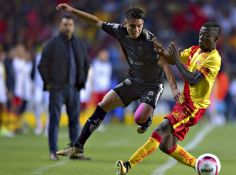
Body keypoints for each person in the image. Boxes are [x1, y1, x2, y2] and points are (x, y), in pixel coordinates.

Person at [55, 4, 180, 158]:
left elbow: (165, 65)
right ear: (125, 23)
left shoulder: (150, 42)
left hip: (152, 85)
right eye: (132, 26)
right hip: (134, 80)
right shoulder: (119, 31)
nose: (136, 30)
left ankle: (145, 119)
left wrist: (174, 88)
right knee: (103, 105)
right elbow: (95, 22)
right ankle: (77, 147)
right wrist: (73, 11)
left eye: (139, 26)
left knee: (139, 118)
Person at [115, 22, 222, 175]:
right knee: (166, 145)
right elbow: (172, 59)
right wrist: (162, 51)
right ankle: (199, 165)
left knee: (161, 129)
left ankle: (128, 165)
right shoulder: (194, 50)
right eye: (200, 34)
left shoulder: (214, 59)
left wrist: (176, 60)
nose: (201, 38)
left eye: (206, 36)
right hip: (184, 102)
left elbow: (192, 79)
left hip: (194, 107)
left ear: (216, 38)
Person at [38, 15, 90, 160]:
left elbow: (86, 65)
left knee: (74, 121)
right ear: (60, 26)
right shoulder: (52, 44)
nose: (68, 27)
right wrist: (49, 83)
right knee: (54, 120)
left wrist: (82, 81)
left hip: (74, 88)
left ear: (73, 27)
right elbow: (42, 65)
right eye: (65, 24)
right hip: (57, 88)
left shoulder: (79, 44)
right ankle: (53, 151)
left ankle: (75, 152)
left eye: (70, 25)